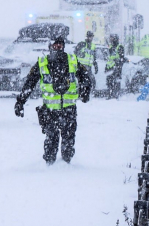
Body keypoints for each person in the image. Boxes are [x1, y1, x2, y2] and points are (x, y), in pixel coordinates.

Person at [14, 35, 91, 164]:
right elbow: (29, 83)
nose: (58, 48)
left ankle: (67, 166)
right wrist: (20, 102)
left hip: (69, 110)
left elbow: (85, 77)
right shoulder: (42, 62)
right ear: (50, 47)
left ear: (64, 46)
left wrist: (85, 91)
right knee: (51, 140)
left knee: (68, 142)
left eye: (60, 45)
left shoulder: (72, 60)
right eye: (55, 45)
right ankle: (49, 168)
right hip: (50, 111)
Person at [105, 34, 128, 99]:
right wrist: (107, 66)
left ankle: (116, 95)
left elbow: (122, 58)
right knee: (109, 81)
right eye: (110, 38)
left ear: (116, 39)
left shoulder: (119, 47)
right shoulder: (110, 47)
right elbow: (109, 58)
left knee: (116, 81)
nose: (111, 40)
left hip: (116, 67)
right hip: (110, 67)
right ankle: (110, 94)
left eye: (112, 38)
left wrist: (118, 64)